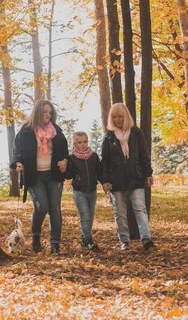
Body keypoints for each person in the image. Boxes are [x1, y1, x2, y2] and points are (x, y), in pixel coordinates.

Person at [11, 100, 68, 254]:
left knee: (55, 209)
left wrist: (64, 161)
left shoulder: (56, 131)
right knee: (41, 206)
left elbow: (64, 152)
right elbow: (17, 150)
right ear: (37, 112)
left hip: (54, 175)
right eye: (44, 112)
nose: (48, 115)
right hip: (34, 175)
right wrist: (18, 163)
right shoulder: (26, 130)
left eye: (50, 112)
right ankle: (36, 237)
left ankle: (55, 245)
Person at [101, 103, 155, 251]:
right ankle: (124, 241)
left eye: (120, 116)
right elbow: (104, 161)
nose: (118, 119)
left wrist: (148, 173)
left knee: (140, 208)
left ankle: (146, 238)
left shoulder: (136, 133)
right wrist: (105, 180)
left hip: (135, 177)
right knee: (120, 212)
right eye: (115, 117)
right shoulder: (109, 136)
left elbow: (144, 155)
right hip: (115, 180)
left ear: (126, 117)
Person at [65, 131, 106, 251]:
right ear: (74, 144)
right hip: (79, 191)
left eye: (85, 142)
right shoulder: (72, 158)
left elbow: (99, 172)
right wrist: (63, 169)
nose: (83, 144)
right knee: (85, 215)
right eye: (79, 142)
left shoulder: (93, 156)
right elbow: (69, 174)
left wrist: (104, 182)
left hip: (92, 191)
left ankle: (85, 239)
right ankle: (88, 239)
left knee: (90, 215)